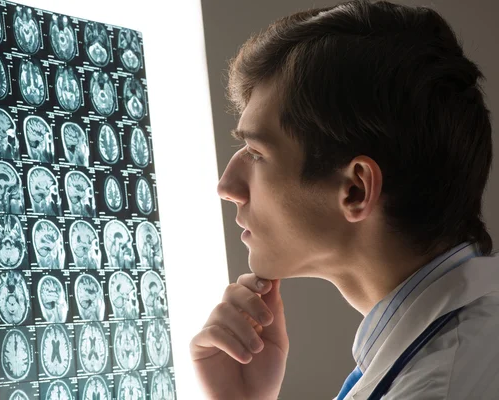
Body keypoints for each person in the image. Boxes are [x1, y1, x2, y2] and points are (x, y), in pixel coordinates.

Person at [190, 1, 498, 399]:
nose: (227, 186)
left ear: (355, 190)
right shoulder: (457, 340)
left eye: (256, 153)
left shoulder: (439, 385)